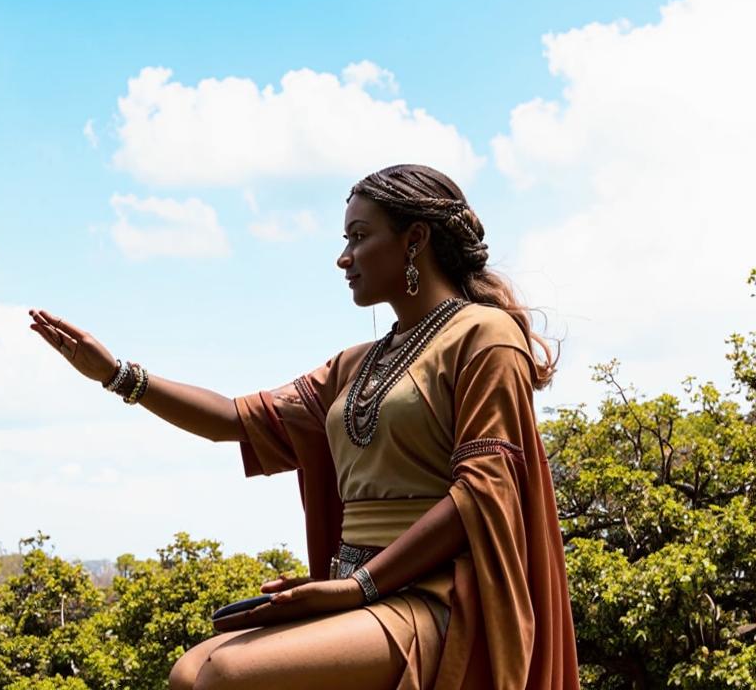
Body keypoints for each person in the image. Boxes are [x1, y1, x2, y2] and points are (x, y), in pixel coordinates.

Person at [29, 164, 579, 689]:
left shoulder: (485, 336)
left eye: (359, 236)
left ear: (415, 239)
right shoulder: (355, 364)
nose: (344, 258)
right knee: (188, 673)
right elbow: (232, 419)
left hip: (442, 598)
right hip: (361, 592)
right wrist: (117, 375)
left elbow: (484, 494)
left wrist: (358, 586)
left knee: (229, 676)